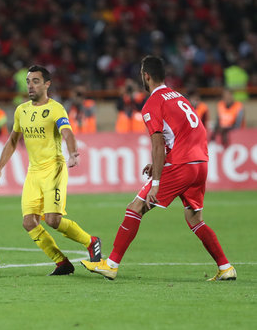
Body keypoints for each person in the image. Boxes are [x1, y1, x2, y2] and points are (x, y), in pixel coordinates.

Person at [81, 56, 236, 281]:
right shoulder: (178, 97)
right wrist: (159, 163)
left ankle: (111, 265)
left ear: (146, 76)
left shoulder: (152, 103)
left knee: (135, 208)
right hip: (200, 164)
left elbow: (157, 143)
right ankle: (225, 267)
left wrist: (156, 181)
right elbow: (189, 132)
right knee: (194, 219)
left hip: (181, 165)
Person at [0, 65, 102, 276]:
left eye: (36, 81)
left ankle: (91, 242)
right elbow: (13, 140)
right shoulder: (21, 110)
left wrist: (73, 153)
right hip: (33, 173)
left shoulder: (56, 109)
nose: (30, 86)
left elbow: (67, 133)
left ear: (47, 84)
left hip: (54, 169)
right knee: (28, 222)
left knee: (52, 220)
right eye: (28, 81)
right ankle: (62, 262)